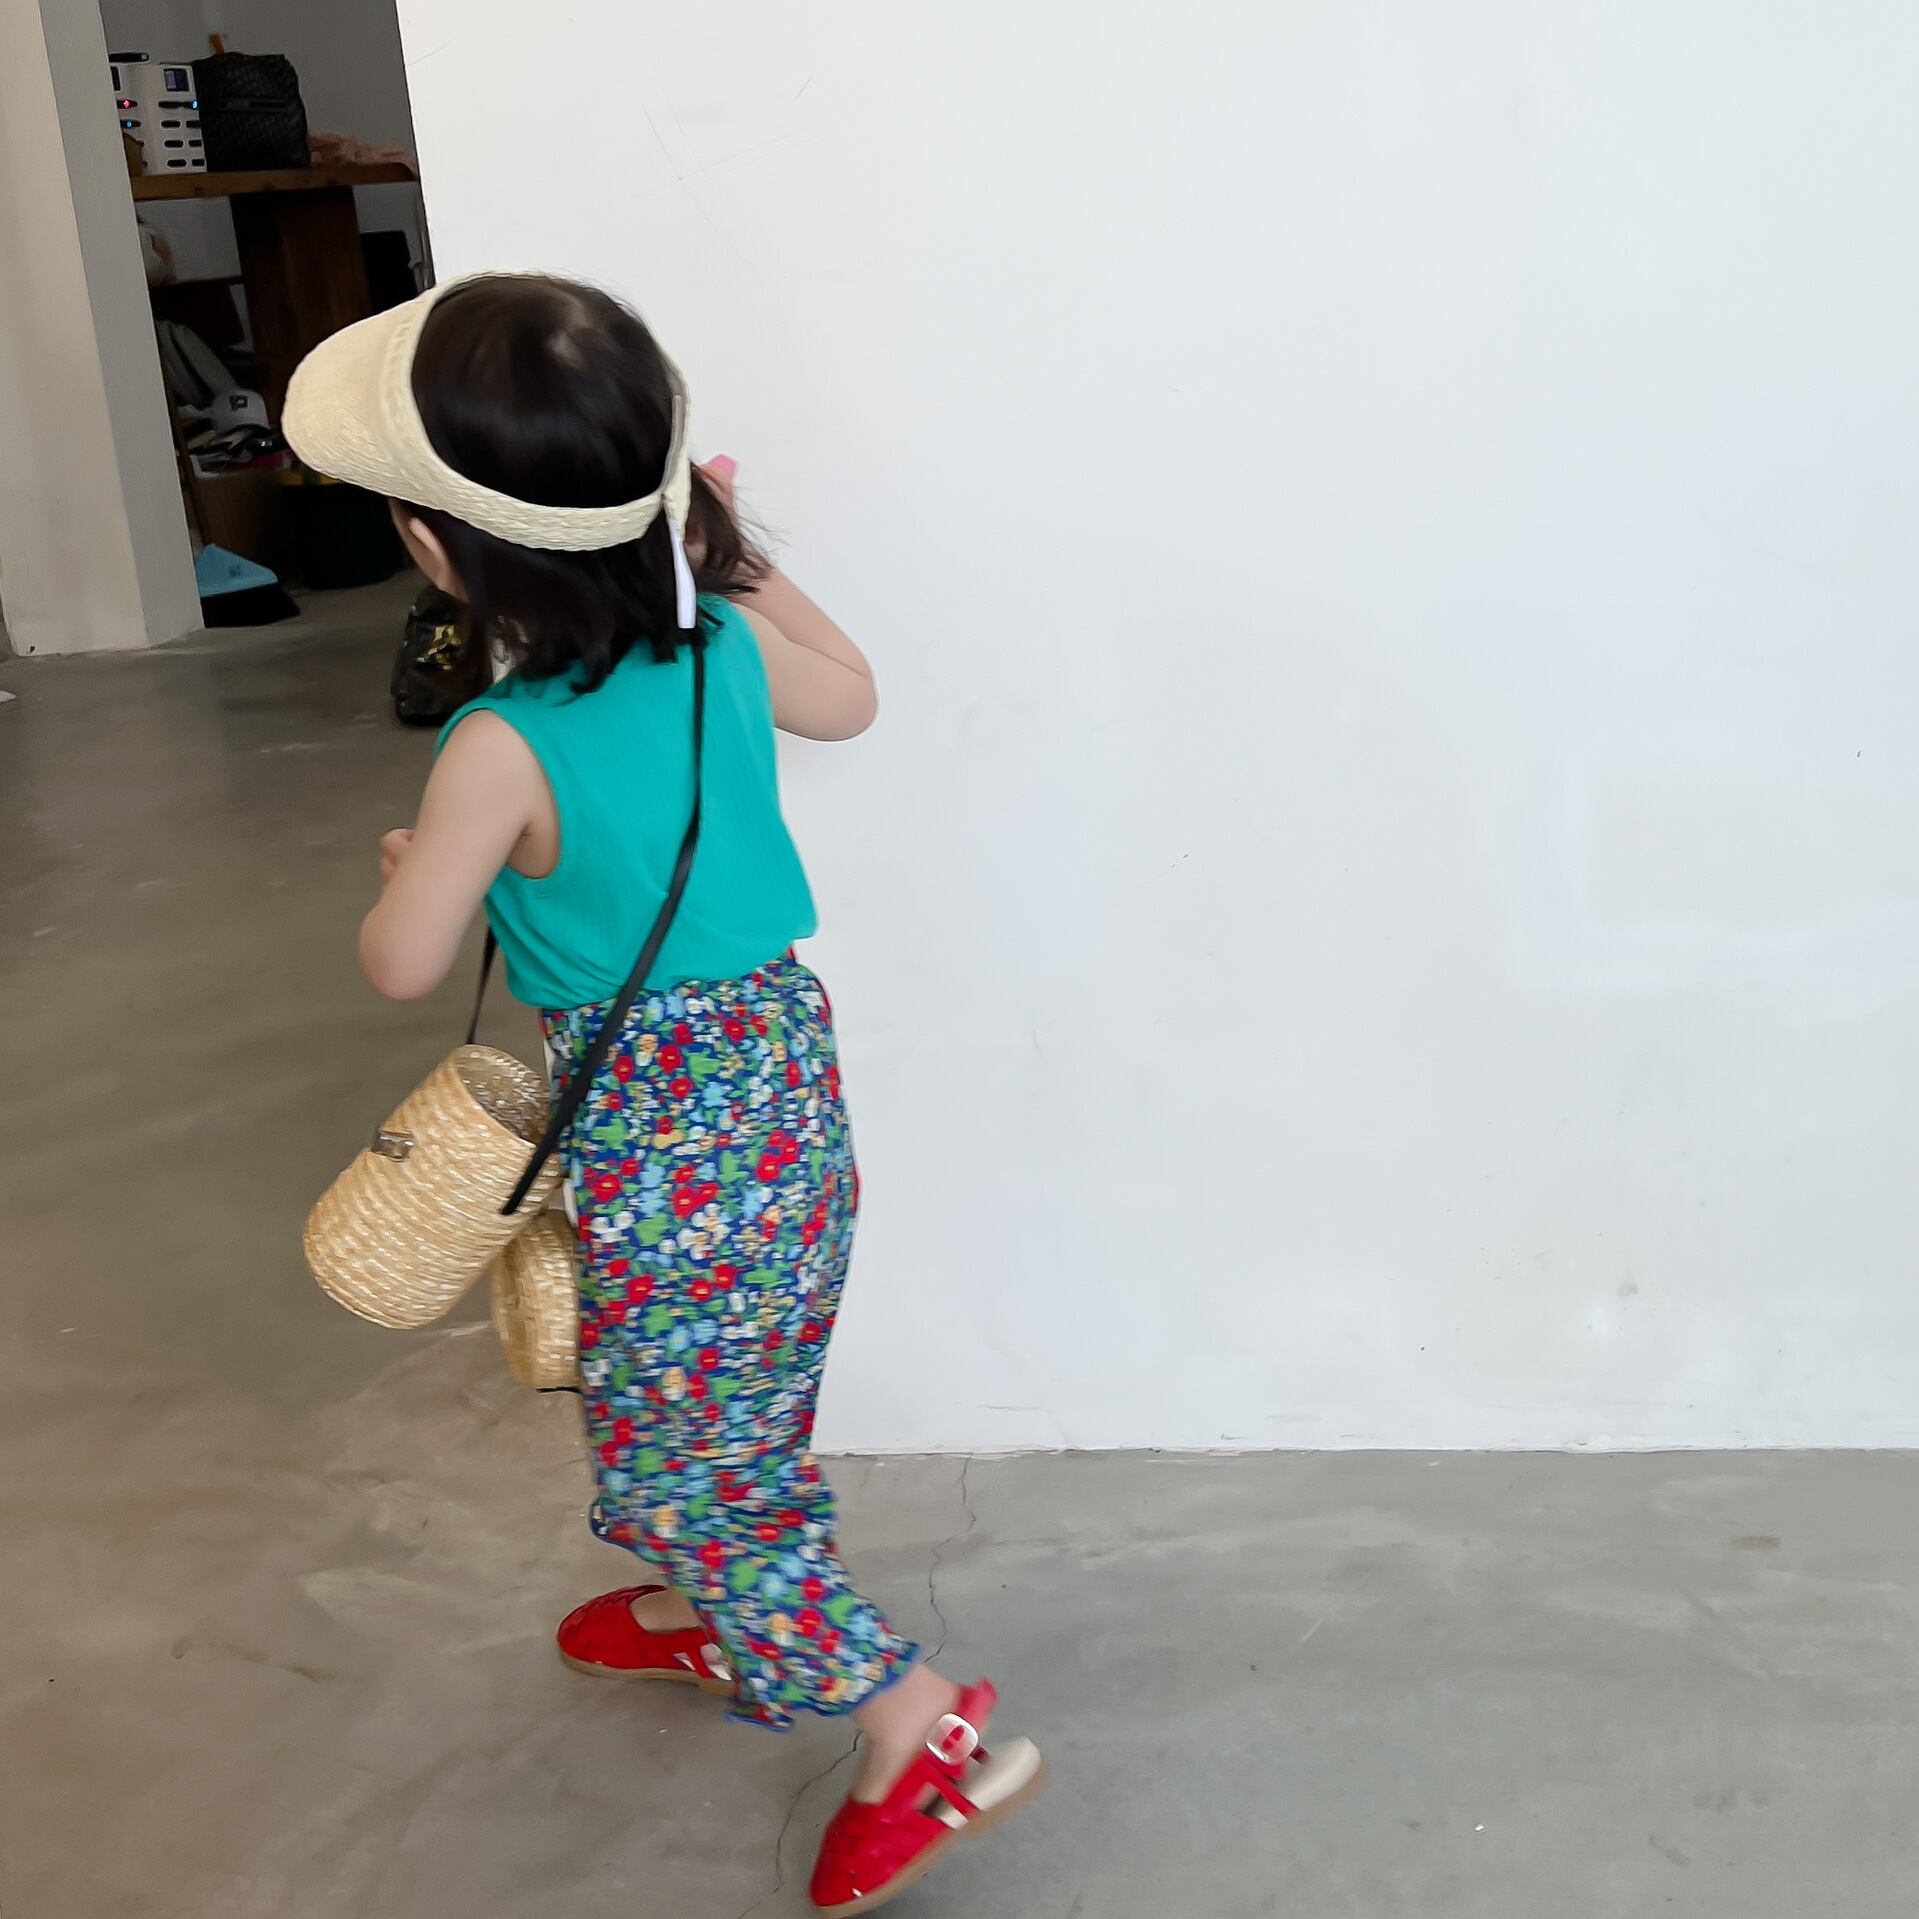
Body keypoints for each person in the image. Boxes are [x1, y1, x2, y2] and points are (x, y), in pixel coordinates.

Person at [280, 272, 1044, 1915]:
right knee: (723, 1400)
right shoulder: (728, 650)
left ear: (440, 549)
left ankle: (910, 1724)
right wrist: (726, 547)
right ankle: (723, 1605)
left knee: (688, 1455)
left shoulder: (496, 745)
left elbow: (403, 964)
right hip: (784, 1099)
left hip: (660, 1141)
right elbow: (855, 692)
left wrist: (419, 867)